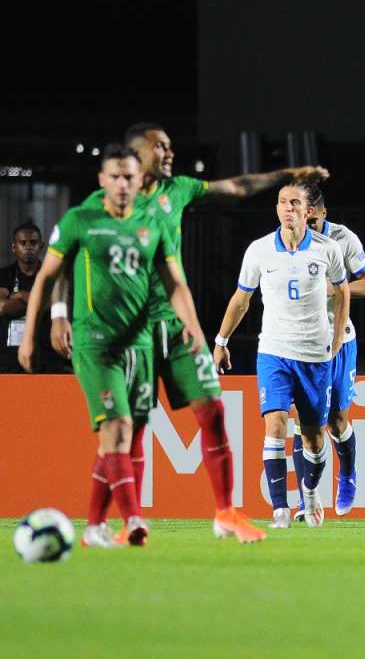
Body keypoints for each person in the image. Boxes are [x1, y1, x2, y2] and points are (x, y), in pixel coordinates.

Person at [50, 121, 325, 538]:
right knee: (132, 428)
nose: (169, 152)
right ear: (136, 153)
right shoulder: (97, 208)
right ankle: (117, 522)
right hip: (131, 333)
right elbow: (65, 261)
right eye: (160, 146)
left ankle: (225, 513)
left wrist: (286, 176)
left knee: (212, 410)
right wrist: (59, 312)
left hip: (176, 326)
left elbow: (234, 187)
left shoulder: (176, 189)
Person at [17, 144, 225, 547]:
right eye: (114, 176)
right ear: (102, 180)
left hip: (140, 343)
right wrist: (33, 332)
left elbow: (175, 283)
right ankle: (132, 521)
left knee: (123, 434)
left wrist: (193, 327)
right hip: (96, 345)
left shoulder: (151, 225)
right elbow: (46, 276)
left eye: (129, 176)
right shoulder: (81, 219)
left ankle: (94, 526)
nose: (122, 184)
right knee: (119, 426)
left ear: (138, 179)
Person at [212, 182, 350, 528]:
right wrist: (221, 340)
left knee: (313, 438)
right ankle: (280, 510)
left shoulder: (328, 249)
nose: (287, 208)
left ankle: (310, 490)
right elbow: (241, 299)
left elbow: (343, 292)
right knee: (274, 424)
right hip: (273, 351)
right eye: (282, 203)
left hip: (315, 356)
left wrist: (337, 339)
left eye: (294, 203)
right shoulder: (259, 251)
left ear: (309, 211)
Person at [292, 184, 365, 520]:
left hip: (338, 339)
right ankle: (307, 499)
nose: (308, 224)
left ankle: (347, 474)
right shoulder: (284, 241)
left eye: (314, 219)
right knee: (303, 423)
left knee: (335, 420)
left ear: (322, 213)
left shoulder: (343, 238)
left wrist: (333, 288)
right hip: (298, 343)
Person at [1, 223, 67, 373]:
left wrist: (15, 297)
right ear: (14, 247)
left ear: (42, 246)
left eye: (33, 243)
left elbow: (58, 304)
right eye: (23, 243)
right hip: (10, 361)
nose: (28, 247)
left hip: (48, 359)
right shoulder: (4, 275)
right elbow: (2, 306)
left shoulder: (53, 276)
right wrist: (42, 301)